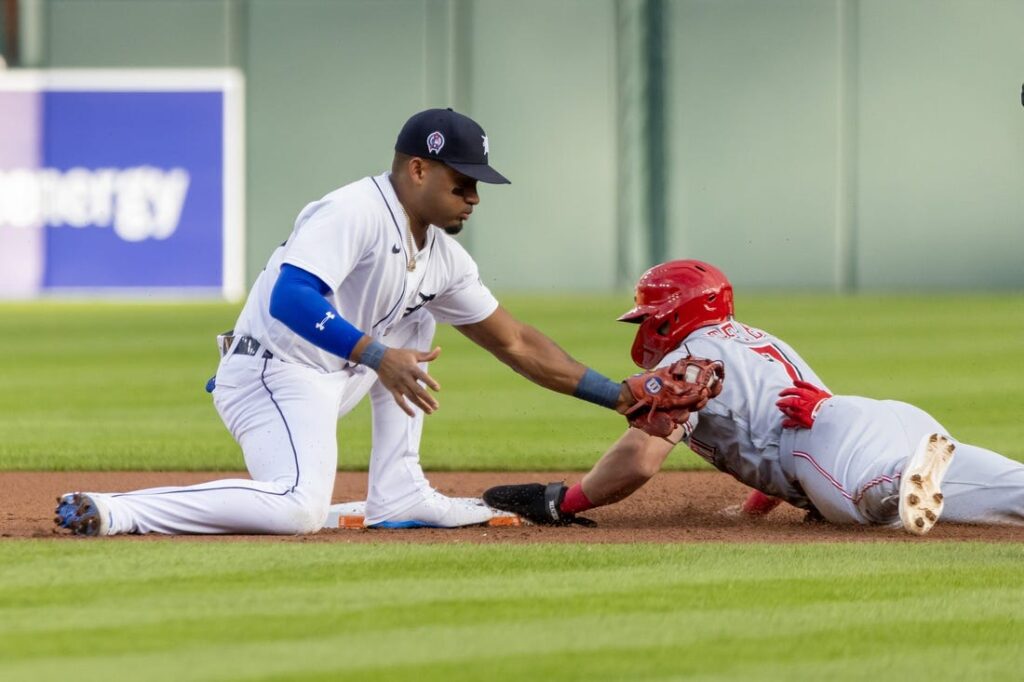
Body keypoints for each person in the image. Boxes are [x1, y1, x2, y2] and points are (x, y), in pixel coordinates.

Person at [54, 108, 639, 536]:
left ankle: (399, 489)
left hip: (337, 372)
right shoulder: (352, 211)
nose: (474, 197)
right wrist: (379, 357)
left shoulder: (442, 257)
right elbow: (292, 297)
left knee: (417, 315)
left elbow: (517, 342)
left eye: (478, 185)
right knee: (297, 509)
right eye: (461, 182)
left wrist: (623, 398)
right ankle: (117, 509)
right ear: (417, 170)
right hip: (271, 375)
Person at [484, 259, 1024, 534]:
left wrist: (566, 499)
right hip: (881, 421)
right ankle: (915, 470)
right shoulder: (755, 340)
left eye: (650, 314)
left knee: (870, 503)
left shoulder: (689, 361)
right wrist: (755, 508)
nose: (645, 325)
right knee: (1005, 489)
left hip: (835, 448)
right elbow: (775, 428)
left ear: (672, 313)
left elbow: (641, 459)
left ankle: (898, 480)